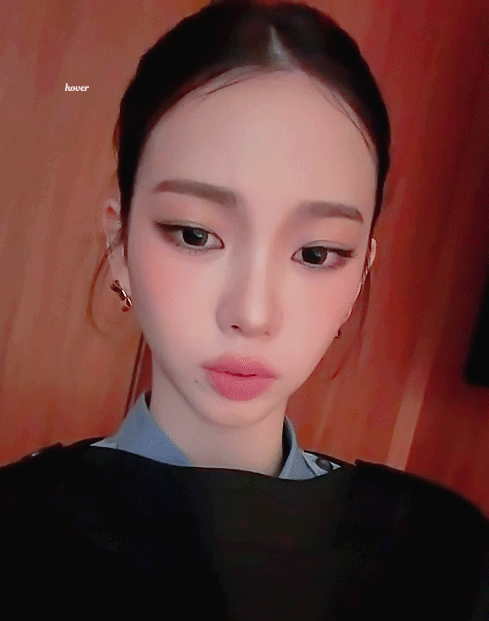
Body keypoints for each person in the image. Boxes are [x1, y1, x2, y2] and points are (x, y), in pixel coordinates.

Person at [1, 1, 488, 617]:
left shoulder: (439, 556)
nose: (252, 314)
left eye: (316, 253)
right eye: (195, 235)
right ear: (120, 243)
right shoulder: (18, 533)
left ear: (362, 271)